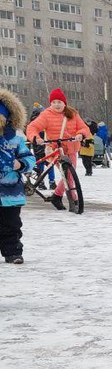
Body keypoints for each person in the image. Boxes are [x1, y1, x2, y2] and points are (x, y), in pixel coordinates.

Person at [26, 88, 91, 211]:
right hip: (54, 149)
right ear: (50, 103)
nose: (56, 105)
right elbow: (32, 127)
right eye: (54, 102)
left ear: (64, 103)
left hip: (71, 148)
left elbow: (84, 128)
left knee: (70, 174)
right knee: (68, 174)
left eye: (59, 102)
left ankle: (57, 195)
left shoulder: (73, 114)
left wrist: (80, 134)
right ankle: (71, 198)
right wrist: (35, 138)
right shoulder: (46, 114)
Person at [0, 89, 34, 265]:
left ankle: (12, 251)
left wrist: (20, 164)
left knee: (11, 225)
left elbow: (29, 158)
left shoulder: (15, 140)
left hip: (10, 193)